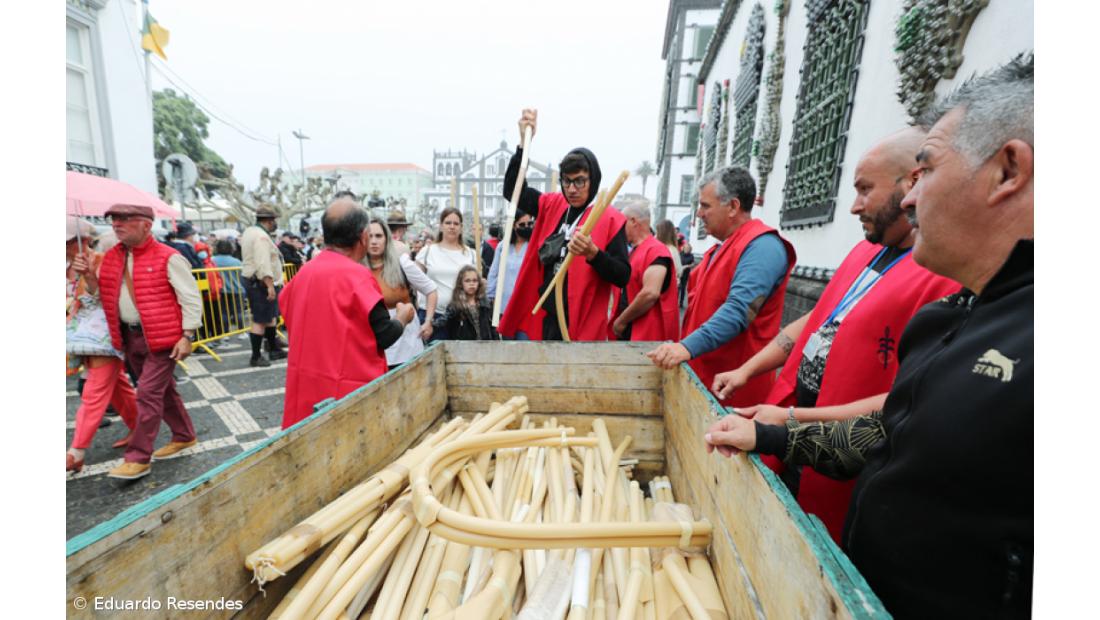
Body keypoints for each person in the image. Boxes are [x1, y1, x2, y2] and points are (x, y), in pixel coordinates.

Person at [704, 54, 1034, 616]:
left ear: (1006, 171)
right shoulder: (951, 314)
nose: (909, 197)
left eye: (925, 171)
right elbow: (887, 433)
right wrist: (774, 437)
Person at [710, 128, 960, 542]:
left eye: (865, 190)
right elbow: (818, 320)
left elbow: (907, 397)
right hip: (791, 436)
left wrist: (790, 421)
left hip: (837, 454)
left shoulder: (940, 274)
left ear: (912, 183)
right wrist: (746, 371)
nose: (854, 206)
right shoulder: (867, 251)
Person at [646, 167, 794, 407]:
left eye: (705, 206)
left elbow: (739, 311)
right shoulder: (718, 249)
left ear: (733, 206)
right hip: (705, 379)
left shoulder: (762, 247)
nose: (700, 214)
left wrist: (687, 347)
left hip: (734, 390)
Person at [279, 198, 415, 428]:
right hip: (347, 392)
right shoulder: (357, 277)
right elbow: (384, 335)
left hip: (306, 386)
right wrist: (403, 317)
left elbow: (287, 310)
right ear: (363, 236)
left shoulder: (304, 273)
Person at [498, 108, 631, 341]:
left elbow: (623, 275)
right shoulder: (553, 204)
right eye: (567, 181)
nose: (572, 189)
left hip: (583, 321)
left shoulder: (609, 217)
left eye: (580, 181)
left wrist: (593, 254)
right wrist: (523, 144)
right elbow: (513, 190)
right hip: (547, 315)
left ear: (593, 179)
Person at [97, 204, 202, 481]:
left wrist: (187, 335)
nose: (117, 224)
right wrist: (86, 274)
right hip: (130, 336)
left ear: (145, 225)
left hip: (163, 338)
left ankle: (138, 458)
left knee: (147, 394)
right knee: (163, 391)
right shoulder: (112, 257)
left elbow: (190, 297)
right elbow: (101, 294)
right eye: (114, 220)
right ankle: (184, 435)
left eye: (124, 219)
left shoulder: (169, 257)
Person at [66, 218, 138, 473]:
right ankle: (139, 428)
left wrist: (88, 275)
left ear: (82, 241)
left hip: (105, 338)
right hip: (81, 338)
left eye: (66, 243)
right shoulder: (65, 266)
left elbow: (105, 296)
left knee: (94, 392)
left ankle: (77, 451)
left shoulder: (102, 260)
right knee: (117, 388)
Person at [366, 218, 438, 369]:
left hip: (407, 346)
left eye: (378, 236)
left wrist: (428, 321)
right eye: (369, 236)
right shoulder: (357, 269)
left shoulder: (402, 264)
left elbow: (430, 289)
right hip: (374, 346)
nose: (373, 241)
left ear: (386, 239)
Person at [610, 200, 679, 341]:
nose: (619, 230)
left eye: (622, 224)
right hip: (632, 333)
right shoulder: (635, 251)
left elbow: (650, 293)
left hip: (646, 335)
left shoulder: (656, 250)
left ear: (633, 221)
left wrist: (621, 320)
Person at [416, 207, 478, 340]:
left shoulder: (471, 254)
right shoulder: (427, 252)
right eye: (448, 223)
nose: (452, 227)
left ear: (461, 227)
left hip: (462, 317)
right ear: (441, 226)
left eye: (456, 224)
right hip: (432, 316)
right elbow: (414, 281)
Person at [240, 206, 287, 367]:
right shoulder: (261, 237)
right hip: (260, 283)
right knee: (260, 320)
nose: (275, 224)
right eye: (274, 221)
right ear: (269, 221)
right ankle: (256, 356)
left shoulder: (250, 231)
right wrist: (269, 285)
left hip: (255, 281)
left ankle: (273, 348)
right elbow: (262, 262)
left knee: (270, 317)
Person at [486, 213, 533, 329]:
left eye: (529, 223)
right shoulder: (503, 246)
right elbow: (494, 272)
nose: (526, 227)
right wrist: (490, 297)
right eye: (522, 224)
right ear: (513, 225)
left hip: (527, 306)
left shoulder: (533, 245)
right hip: (504, 305)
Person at [434, 265, 498, 340]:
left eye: (474, 280)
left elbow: (493, 326)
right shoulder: (456, 305)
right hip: (465, 346)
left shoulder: (486, 303)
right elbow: (445, 319)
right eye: (467, 281)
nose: (471, 284)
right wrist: (432, 325)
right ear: (461, 283)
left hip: (485, 345)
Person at [211, 239, 245, 332]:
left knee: (223, 313)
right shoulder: (236, 261)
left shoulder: (213, 260)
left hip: (221, 290)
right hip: (237, 289)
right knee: (238, 312)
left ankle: (225, 333)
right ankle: (241, 331)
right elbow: (242, 275)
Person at [655, 219, 683, 287]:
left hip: (665, 287)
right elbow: (679, 271)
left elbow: (678, 271)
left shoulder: (669, 250)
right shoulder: (672, 249)